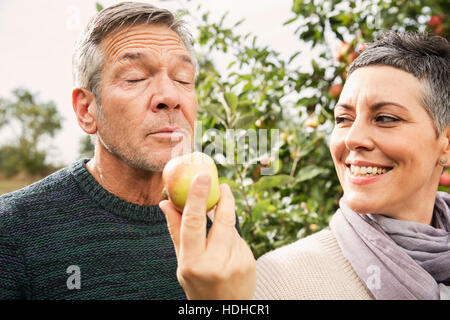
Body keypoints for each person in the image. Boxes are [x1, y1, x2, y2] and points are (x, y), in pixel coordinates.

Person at [160, 31, 450, 300]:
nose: (353, 138)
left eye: (386, 118)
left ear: (446, 141)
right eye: (343, 119)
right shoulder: (276, 282)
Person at [0, 2, 241, 300]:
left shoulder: (213, 218)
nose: (170, 96)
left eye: (183, 79)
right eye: (135, 78)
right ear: (87, 110)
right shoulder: (12, 229)